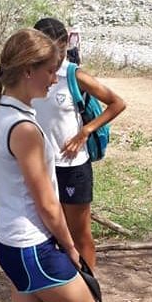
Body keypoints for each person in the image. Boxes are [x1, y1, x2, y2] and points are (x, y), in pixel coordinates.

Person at [0, 28, 103, 302]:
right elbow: (46, 202)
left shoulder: (4, 109)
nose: (55, 78)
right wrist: (71, 248)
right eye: (50, 70)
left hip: (11, 242)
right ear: (28, 70)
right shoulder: (25, 129)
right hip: (32, 247)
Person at [32, 17, 126, 270]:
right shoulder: (29, 74)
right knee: (49, 231)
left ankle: (89, 288)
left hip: (72, 166)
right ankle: (59, 287)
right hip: (40, 167)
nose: (49, 54)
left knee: (79, 233)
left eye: (54, 47)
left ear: (64, 44)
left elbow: (117, 103)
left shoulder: (72, 74)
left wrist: (85, 131)